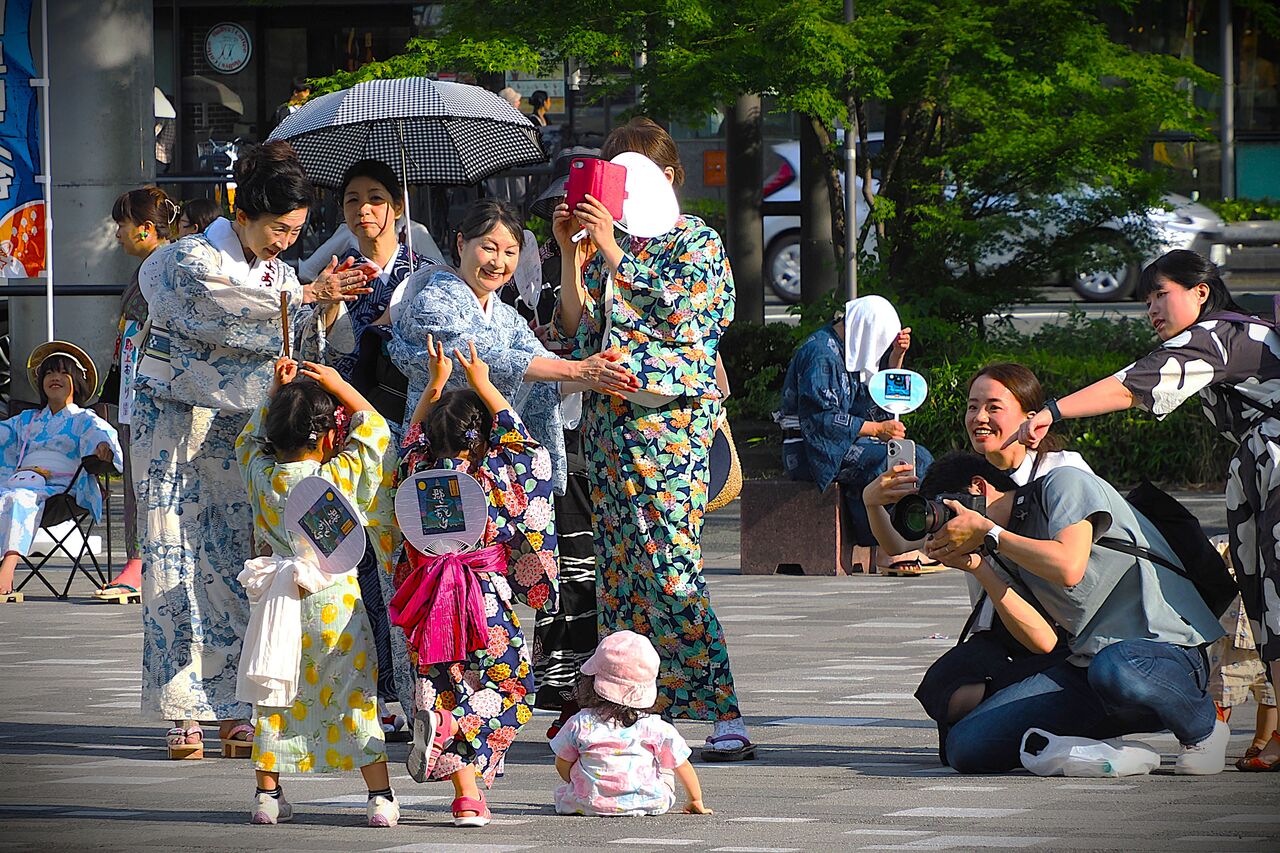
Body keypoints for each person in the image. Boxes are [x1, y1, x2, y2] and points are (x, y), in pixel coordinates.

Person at [132, 140, 372, 759]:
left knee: (243, 559)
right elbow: (214, 310)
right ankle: (183, 708)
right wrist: (309, 297)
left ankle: (237, 704)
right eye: (277, 229)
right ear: (242, 215)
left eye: (294, 231)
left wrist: (327, 304)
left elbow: (294, 332)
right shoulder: (187, 258)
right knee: (175, 554)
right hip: (177, 426)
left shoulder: (280, 277)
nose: (285, 243)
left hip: (243, 429)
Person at [551, 117, 750, 761]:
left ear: (667, 177)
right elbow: (577, 332)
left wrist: (613, 251)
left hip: (668, 427)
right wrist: (570, 255)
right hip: (609, 424)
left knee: (670, 564)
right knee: (618, 572)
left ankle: (720, 710)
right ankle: (629, 709)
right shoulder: (604, 245)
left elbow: (684, 313)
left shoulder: (697, 240)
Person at [1014, 249, 1280, 692]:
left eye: (1161, 294)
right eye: (1147, 301)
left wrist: (1052, 412)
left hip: (1274, 469)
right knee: (1271, 612)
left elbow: (1131, 386)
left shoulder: (1215, 335)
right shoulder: (1236, 332)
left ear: (1201, 292)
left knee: (1276, 609)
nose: (1153, 309)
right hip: (1262, 470)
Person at [918, 452, 1228, 774]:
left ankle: (1203, 729)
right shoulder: (1001, 547)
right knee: (967, 747)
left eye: (948, 513)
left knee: (1116, 667)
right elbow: (1042, 640)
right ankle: (1110, 752)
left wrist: (991, 533)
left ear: (978, 488)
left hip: (1167, 653)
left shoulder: (1063, 484)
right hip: (1089, 667)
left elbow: (1068, 567)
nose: (947, 528)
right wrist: (979, 567)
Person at [391, 340, 559, 827]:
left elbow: (410, 438)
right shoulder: (495, 474)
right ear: (483, 436)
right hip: (481, 594)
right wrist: (484, 384)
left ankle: (468, 797)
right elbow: (531, 452)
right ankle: (453, 727)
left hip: (428, 595)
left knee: (444, 684)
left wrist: (435, 384)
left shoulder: (416, 470)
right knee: (511, 686)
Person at [234, 357, 398, 827]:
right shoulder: (336, 476)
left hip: (278, 600)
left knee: (275, 693)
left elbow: (246, 441)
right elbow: (375, 431)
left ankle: (267, 797)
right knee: (355, 695)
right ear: (327, 437)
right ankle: (379, 798)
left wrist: (273, 392)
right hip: (335, 601)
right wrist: (342, 385)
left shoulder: (262, 475)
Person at [390, 197, 635, 497]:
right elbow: (482, 357)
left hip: (492, 463)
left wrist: (600, 375)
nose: (498, 263)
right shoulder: (432, 301)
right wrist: (578, 370)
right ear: (461, 244)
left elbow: (545, 373)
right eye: (489, 248)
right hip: (439, 447)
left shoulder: (506, 316)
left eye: (510, 252)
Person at [778, 294, 933, 571]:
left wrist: (896, 358)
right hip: (809, 449)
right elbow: (821, 418)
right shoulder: (821, 354)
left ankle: (906, 540)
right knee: (887, 463)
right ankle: (887, 547)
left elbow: (872, 399)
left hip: (848, 442)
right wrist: (878, 429)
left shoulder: (845, 352)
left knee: (916, 456)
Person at [93, 188, 180, 604]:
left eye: (122, 225)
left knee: (147, 478)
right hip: (133, 378)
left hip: (152, 383)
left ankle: (142, 560)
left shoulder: (167, 267)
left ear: (146, 229)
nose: (117, 234)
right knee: (135, 476)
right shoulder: (152, 266)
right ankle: (138, 559)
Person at [0, 343, 122, 602]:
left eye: (62, 372)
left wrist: (103, 450)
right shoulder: (27, 419)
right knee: (12, 496)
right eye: (48, 373)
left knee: (19, 499)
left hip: (62, 489)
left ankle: (6, 572)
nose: (54, 378)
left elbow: (100, 437)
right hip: (21, 480)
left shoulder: (85, 420)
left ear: (76, 380)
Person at [551, 630, 711, 816]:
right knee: (666, 765)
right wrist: (695, 800)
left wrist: (578, 783)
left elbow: (562, 763)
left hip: (588, 802)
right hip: (650, 802)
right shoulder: (656, 727)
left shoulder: (581, 722)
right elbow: (682, 765)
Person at [1207, 542, 1279, 771]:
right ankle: (1209, 743)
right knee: (1220, 698)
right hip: (1229, 645)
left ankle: (1262, 743)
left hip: (1266, 644)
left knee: (1270, 698)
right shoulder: (1223, 545)